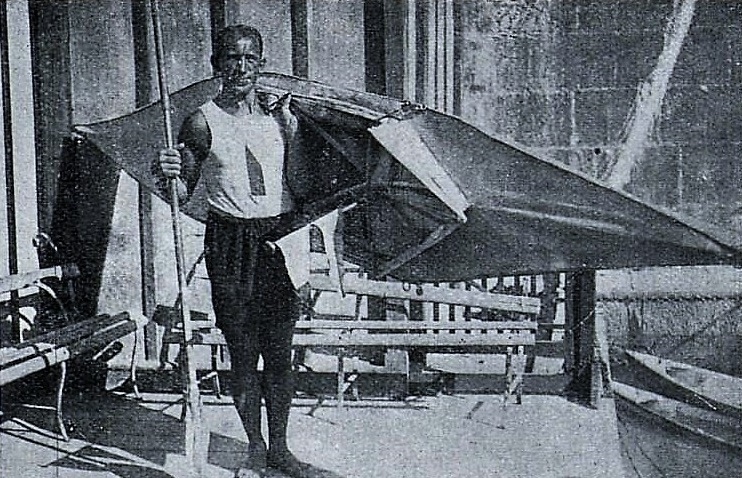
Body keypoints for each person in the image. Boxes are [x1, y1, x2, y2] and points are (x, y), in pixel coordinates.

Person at [157, 25, 311, 478]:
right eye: (230, 58)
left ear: (261, 64)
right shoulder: (202, 120)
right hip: (229, 243)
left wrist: (293, 131)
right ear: (216, 65)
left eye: (249, 59)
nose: (240, 68)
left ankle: (280, 448)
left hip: (276, 242)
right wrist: (167, 170)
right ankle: (256, 448)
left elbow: (298, 186)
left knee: (280, 354)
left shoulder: (279, 120)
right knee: (243, 353)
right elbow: (182, 193)